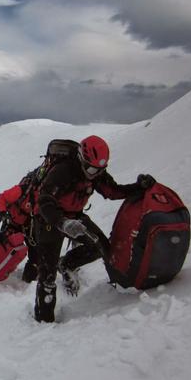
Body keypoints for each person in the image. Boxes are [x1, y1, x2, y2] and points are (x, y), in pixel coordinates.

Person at [32, 135, 154, 322]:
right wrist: (62, 223)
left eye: (99, 170)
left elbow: (113, 191)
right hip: (49, 222)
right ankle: (43, 321)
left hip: (75, 216)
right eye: (91, 168)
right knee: (47, 276)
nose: (94, 174)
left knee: (100, 247)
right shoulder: (62, 171)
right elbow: (44, 200)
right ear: (81, 158)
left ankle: (67, 264)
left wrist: (139, 187)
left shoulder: (95, 172)